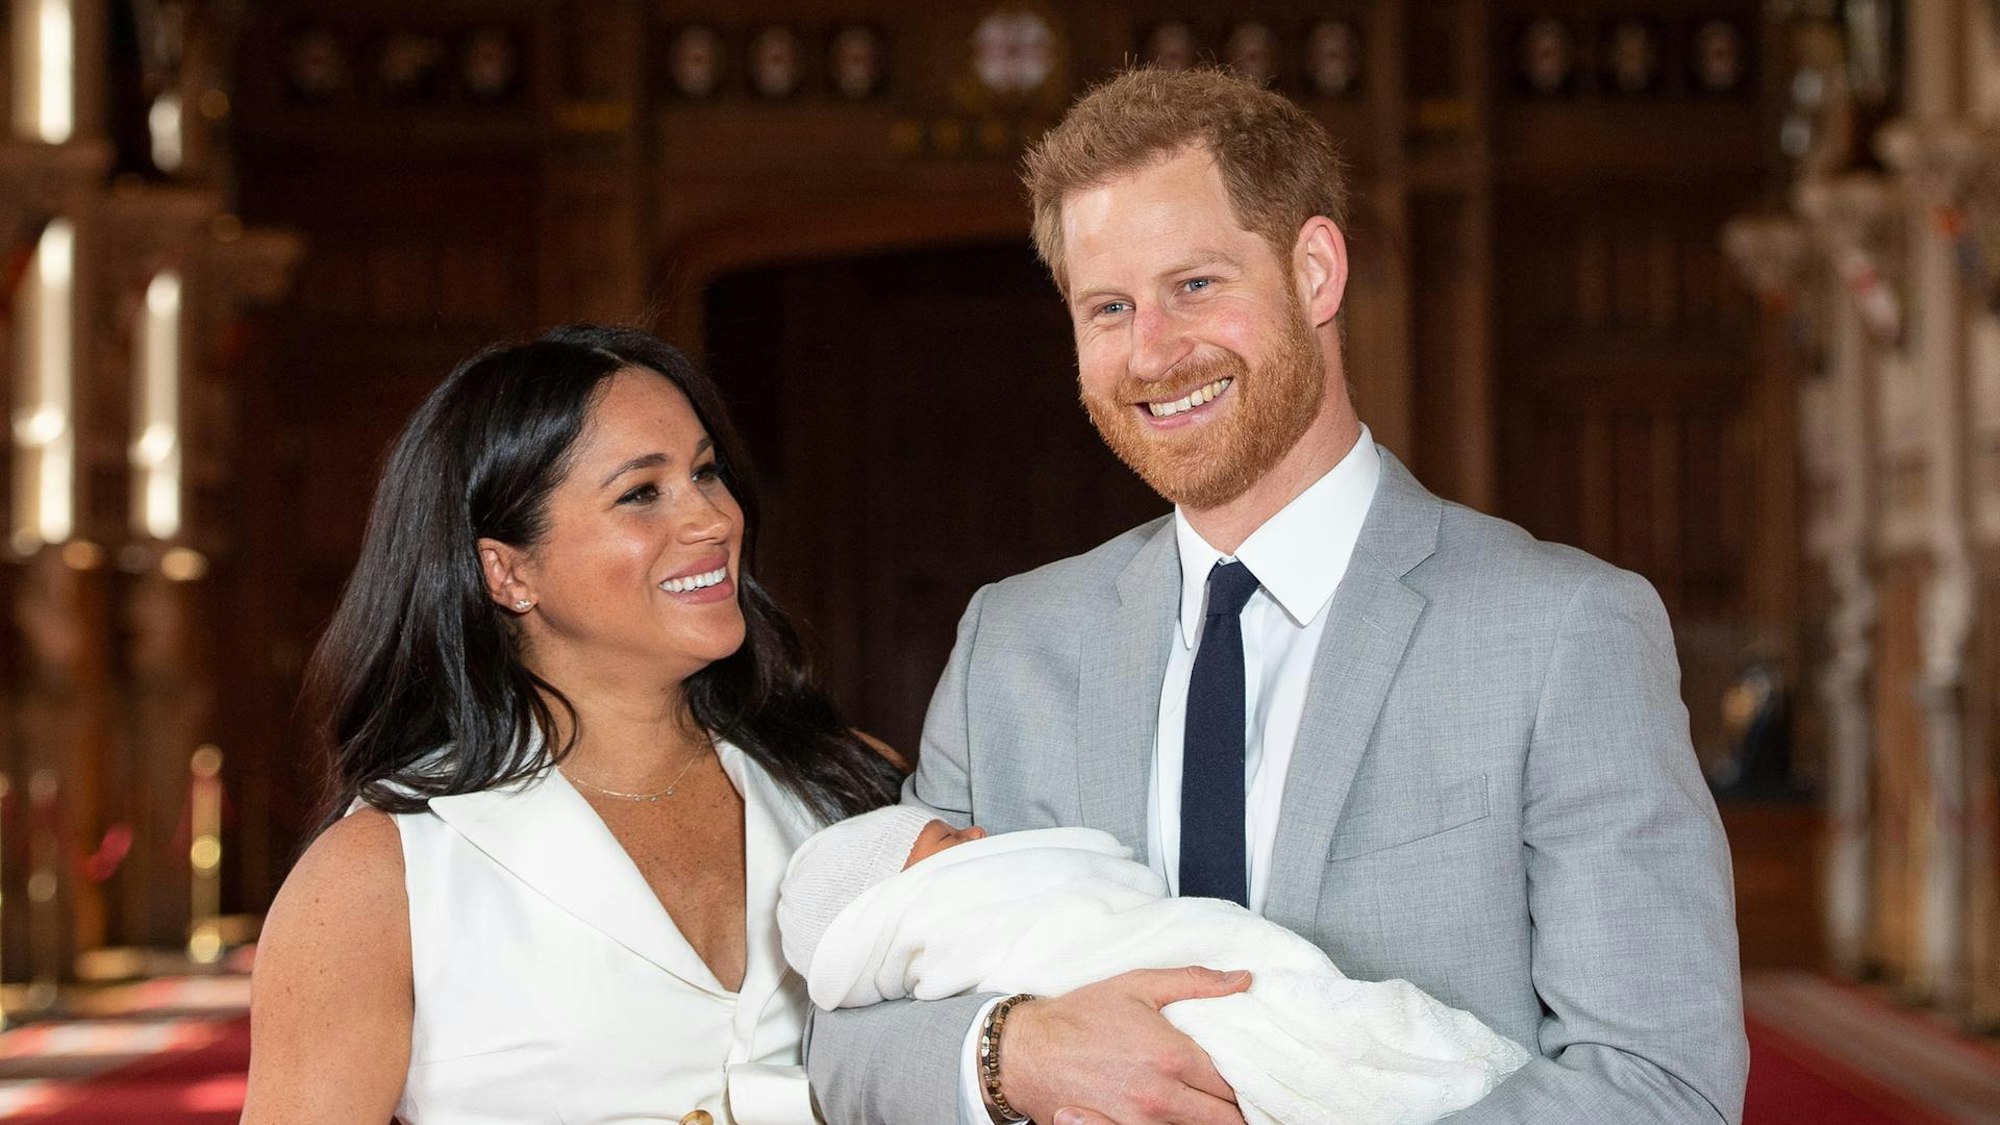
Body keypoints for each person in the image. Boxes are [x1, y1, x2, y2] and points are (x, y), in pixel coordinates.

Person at [807, 66, 1749, 1125]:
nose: (1152, 352)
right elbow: (848, 1041)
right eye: (1106, 307)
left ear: (1313, 272)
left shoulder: (1563, 631)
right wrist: (1012, 1053)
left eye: (1194, 286)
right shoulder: (1010, 647)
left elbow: (1660, 1086)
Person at [242, 325, 903, 1124]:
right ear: (510, 570)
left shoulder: (848, 784)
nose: (713, 517)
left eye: (705, 471)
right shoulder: (381, 873)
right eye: (641, 491)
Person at [777, 807, 1530, 1125]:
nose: (978, 829)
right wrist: (1012, 1050)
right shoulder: (996, 639)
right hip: (1208, 1015)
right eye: (948, 837)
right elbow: (846, 1045)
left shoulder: (1577, 615)